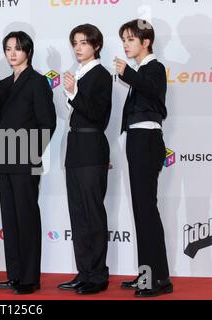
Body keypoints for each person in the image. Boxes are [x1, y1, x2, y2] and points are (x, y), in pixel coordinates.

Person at [0, 31, 56, 295]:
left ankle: (29, 278)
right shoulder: (3, 84)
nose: (12, 53)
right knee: (10, 220)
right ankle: (14, 274)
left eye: (17, 48)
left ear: (28, 51)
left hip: (24, 161)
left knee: (26, 219)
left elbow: (48, 123)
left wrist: (29, 154)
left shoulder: (37, 82)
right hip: (3, 161)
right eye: (8, 48)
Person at [115, 19, 173, 297]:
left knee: (146, 210)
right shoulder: (141, 70)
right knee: (141, 210)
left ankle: (159, 280)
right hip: (137, 139)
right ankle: (148, 275)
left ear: (146, 41)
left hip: (147, 139)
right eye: (124, 40)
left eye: (130, 39)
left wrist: (128, 74)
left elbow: (152, 92)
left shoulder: (155, 68)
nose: (125, 44)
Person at [57, 24, 112, 295]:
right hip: (75, 147)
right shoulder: (78, 73)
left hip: (92, 147)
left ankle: (99, 275)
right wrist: (72, 91)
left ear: (96, 46)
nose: (78, 48)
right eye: (75, 43)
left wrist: (74, 92)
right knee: (78, 215)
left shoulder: (101, 75)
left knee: (93, 214)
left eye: (83, 43)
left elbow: (98, 115)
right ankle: (85, 272)